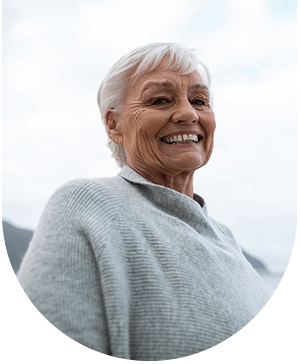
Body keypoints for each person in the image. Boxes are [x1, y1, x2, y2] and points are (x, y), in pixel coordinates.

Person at [17, 43, 273, 360]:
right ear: (114, 125)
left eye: (199, 101)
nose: (189, 113)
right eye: (160, 100)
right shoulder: (86, 205)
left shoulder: (224, 235)